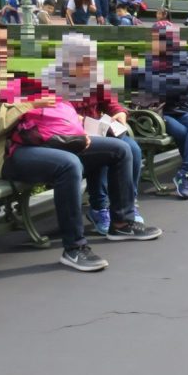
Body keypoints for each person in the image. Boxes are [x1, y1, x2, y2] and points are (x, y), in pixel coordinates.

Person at [0, 27, 161, 272]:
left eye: (2, 44)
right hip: (5, 152)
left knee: (120, 149)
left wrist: (75, 128)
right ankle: (74, 248)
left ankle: (122, 224)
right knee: (68, 164)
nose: (0, 50)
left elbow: (48, 111)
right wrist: (26, 106)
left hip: (35, 139)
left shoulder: (6, 77)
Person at [41, 32, 146, 232]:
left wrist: (120, 113)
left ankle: (129, 203)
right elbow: (55, 113)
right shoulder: (53, 82)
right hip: (72, 137)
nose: (88, 66)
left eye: (90, 61)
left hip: (99, 129)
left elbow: (111, 103)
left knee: (133, 149)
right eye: (82, 62)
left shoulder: (95, 78)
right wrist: (76, 120)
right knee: (106, 154)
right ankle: (100, 207)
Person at [125, 27, 188, 198]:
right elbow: (137, 84)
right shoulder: (152, 62)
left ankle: (185, 172)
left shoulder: (184, 61)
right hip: (161, 114)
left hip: (184, 110)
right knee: (184, 133)